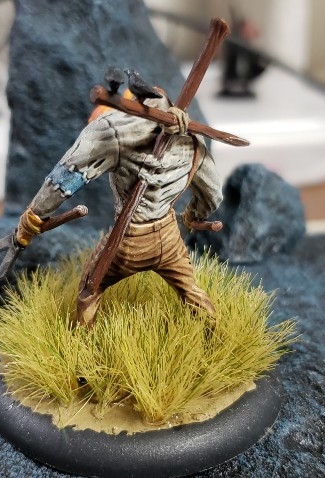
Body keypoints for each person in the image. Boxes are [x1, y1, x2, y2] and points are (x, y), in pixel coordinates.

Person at [15, 89, 223, 327]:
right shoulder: (194, 138)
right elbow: (213, 195)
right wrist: (193, 215)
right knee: (191, 292)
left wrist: (33, 218)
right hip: (169, 238)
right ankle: (214, 335)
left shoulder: (114, 129)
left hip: (128, 242)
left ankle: (81, 344)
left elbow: (63, 181)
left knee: (89, 291)